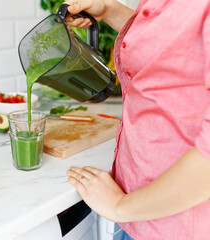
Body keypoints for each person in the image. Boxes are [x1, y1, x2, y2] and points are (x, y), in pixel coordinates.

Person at [64, 0, 210, 239]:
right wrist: (110, 10)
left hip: (174, 226)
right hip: (137, 213)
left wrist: (119, 207)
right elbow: (174, 46)